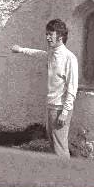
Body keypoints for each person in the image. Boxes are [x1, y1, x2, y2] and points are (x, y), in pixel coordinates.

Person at [11, 19, 78, 158]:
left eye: (50, 34)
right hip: (51, 106)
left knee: (60, 145)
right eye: (46, 34)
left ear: (60, 36)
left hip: (60, 108)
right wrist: (21, 50)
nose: (47, 37)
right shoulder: (52, 53)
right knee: (53, 142)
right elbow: (38, 54)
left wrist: (65, 112)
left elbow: (72, 88)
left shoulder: (69, 58)